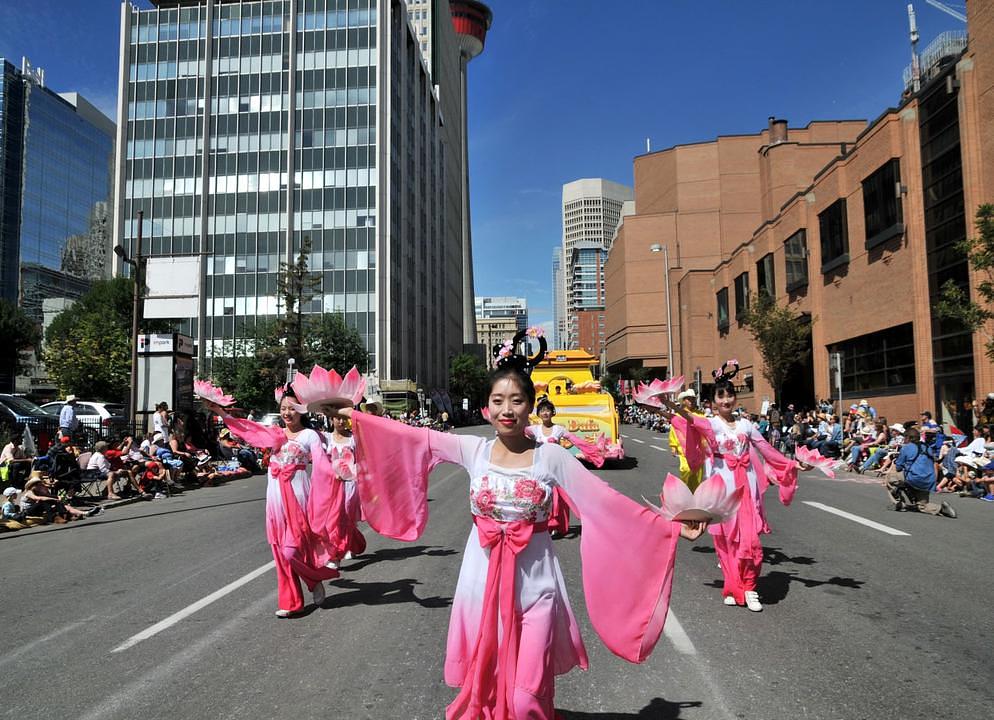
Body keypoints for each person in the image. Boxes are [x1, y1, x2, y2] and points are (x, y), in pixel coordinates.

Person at [338, 329, 707, 719]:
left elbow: (604, 502)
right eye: (498, 401)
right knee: (494, 680)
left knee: (525, 697)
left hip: (538, 587)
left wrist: (671, 527)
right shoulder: (474, 450)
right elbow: (414, 437)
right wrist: (358, 419)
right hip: (482, 584)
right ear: (486, 408)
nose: (507, 409)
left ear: (531, 406)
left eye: (517, 400)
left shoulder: (550, 458)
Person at [661, 360, 798, 612]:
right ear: (713, 401)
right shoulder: (711, 424)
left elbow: (766, 449)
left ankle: (749, 587)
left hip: (746, 487)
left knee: (750, 540)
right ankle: (733, 585)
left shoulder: (747, 425)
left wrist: (792, 464)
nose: (726, 400)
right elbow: (684, 417)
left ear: (735, 398)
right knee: (726, 541)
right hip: (720, 488)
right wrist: (665, 402)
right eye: (720, 396)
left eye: (729, 395)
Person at [207, 386, 340, 617]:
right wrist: (221, 412)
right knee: (280, 554)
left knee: (292, 552)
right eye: (283, 408)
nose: (287, 413)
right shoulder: (274, 434)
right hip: (275, 501)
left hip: (298, 499)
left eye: (292, 408)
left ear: (302, 410)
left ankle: (313, 579)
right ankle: (292, 603)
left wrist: (336, 478)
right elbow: (247, 429)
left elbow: (322, 466)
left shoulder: (310, 436)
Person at [322, 411, 364, 562]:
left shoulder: (353, 439)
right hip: (332, 484)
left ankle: (341, 550)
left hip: (350, 484)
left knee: (346, 515)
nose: (340, 421)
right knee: (333, 518)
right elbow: (322, 461)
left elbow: (361, 460)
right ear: (331, 419)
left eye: (343, 418)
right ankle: (339, 549)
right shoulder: (326, 439)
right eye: (337, 418)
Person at [888, 424, 956, 517]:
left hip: (915, 478)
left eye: (905, 438)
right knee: (922, 506)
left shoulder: (906, 447)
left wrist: (898, 460)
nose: (904, 440)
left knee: (890, 478)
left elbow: (898, 467)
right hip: (929, 480)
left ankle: (899, 504)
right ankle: (941, 508)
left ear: (908, 438)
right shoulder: (927, 447)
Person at [667, 388, 707, 491]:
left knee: (698, 475)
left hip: (698, 449)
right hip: (684, 449)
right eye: (689, 399)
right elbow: (674, 430)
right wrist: (673, 446)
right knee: (686, 470)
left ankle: (694, 495)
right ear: (684, 401)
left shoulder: (700, 414)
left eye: (693, 399)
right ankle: (684, 491)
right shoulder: (679, 415)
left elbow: (706, 429)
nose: (691, 401)